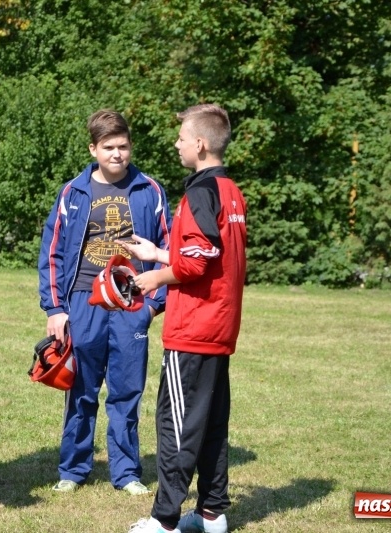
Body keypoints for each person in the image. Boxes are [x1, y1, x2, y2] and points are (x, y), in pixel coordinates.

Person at [123, 104, 247, 533]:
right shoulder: (229, 190)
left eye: (181, 137)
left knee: (175, 427)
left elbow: (196, 265)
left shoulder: (198, 193)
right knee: (211, 424)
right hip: (219, 327)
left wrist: (151, 277)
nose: (176, 144)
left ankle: (165, 521)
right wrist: (159, 252)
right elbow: (211, 255)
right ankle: (212, 515)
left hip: (193, 328)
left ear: (200, 143)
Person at [38, 109, 172, 496]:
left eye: (124, 146)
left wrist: (152, 305)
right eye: (109, 147)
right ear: (93, 148)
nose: (118, 154)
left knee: (127, 390)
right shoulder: (73, 192)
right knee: (80, 387)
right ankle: (73, 469)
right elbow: (52, 253)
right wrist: (56, 308)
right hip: (82, 302)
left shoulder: (150, 190)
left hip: (132, 303)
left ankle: (127, 471)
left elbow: (167, 247)